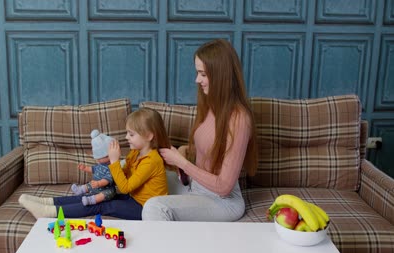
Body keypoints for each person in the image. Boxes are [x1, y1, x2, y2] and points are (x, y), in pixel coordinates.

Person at [141, 39, 258, 222]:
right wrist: (185, 152)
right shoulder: (212, 105)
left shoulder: (239, 119)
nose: (197, 80)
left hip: (222, 201)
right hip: (196, 187)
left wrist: (183, 163)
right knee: (149, 178)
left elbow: (224, 186)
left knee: (154, 207)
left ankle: (169, 250)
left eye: (203, 74)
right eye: (198, 73)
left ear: (220, 76)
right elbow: (211, 148)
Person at [18, 107, 171, 220]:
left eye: (131, 134)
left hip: (145, 209)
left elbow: (125, 187)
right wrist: (106, 171)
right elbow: (121, 175)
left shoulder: (152, 161)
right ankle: (47, 202)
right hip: (134, 199)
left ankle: (49, 213)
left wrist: (114, 161)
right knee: (95, 194)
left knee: (102, 205)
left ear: (149, 136)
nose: (126, 137)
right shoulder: (136, 153)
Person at [71, 129, 117, 206]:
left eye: (99, 158)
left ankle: (91, 200)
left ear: (107, 156)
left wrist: (99, 183)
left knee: (107, 194)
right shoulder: (100, 165)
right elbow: (93, 169)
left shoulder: (112, 167)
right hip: (96, 185)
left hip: (106, 189)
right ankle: (80, 190)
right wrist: (85, 168)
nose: (97, 160)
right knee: (88, 185)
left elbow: (107, 180)